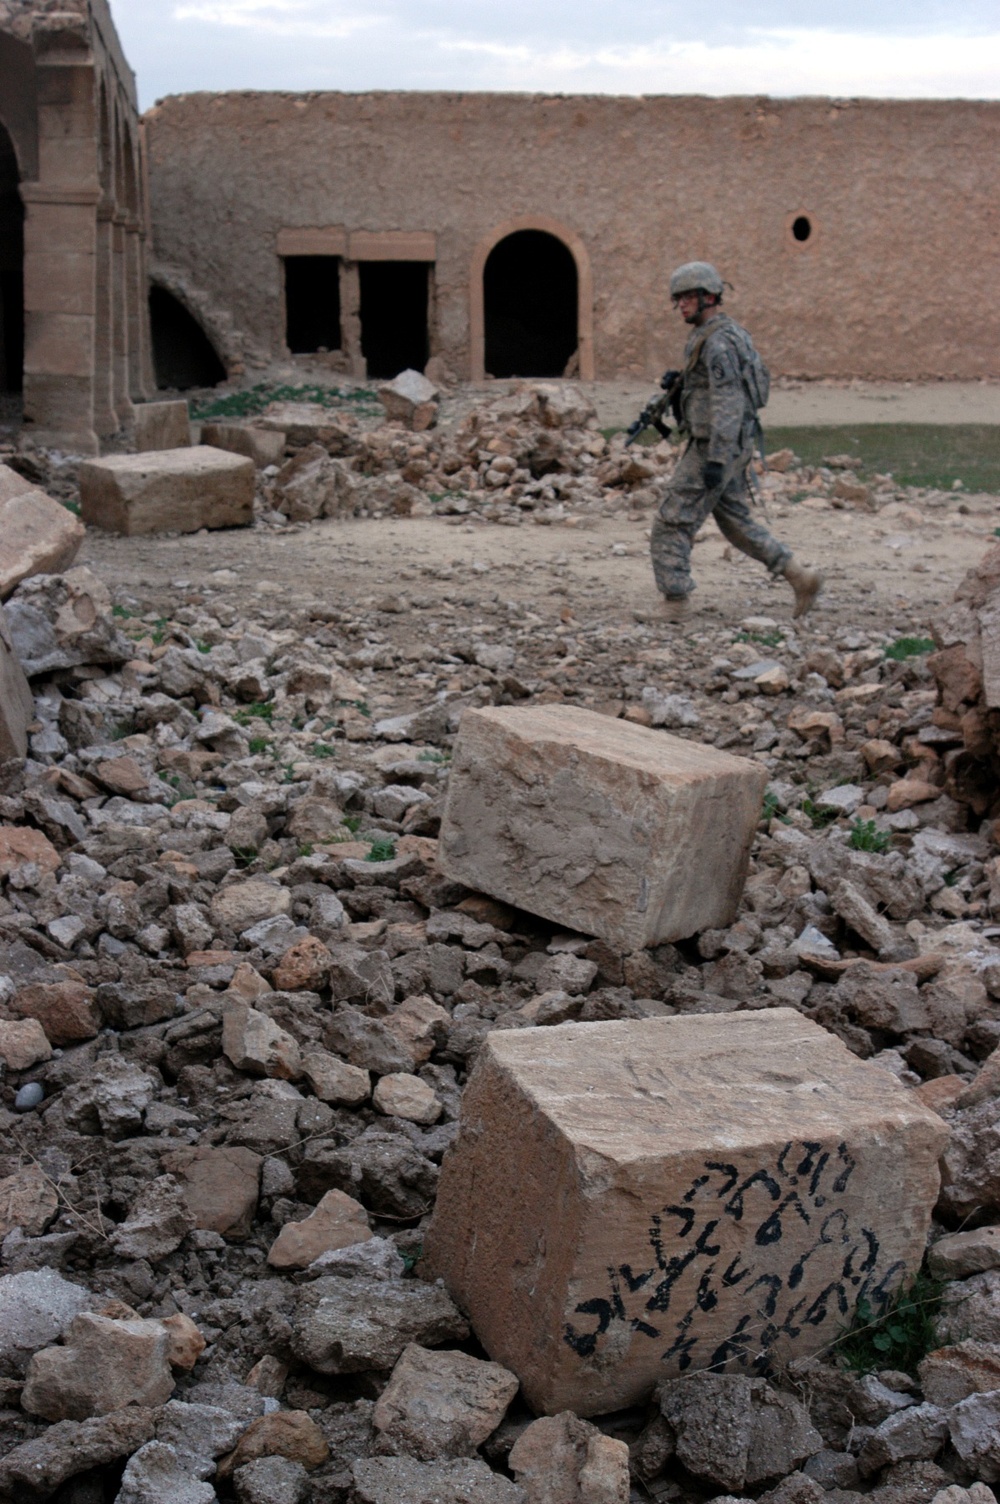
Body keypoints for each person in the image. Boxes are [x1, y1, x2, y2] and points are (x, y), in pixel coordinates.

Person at [650, 261, 822, 623]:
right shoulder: (720, 334)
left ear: (708, 297)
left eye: (686, 298)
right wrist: (681, 382)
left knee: (672, 520)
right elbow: (715, 388)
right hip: (729, 443)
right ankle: (799, 576)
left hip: (716, 445)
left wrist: (716, 459)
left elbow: (728, 401)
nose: (680, 305)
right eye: (677, 299)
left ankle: (675, 600)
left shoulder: (718, 343)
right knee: (735, 522)